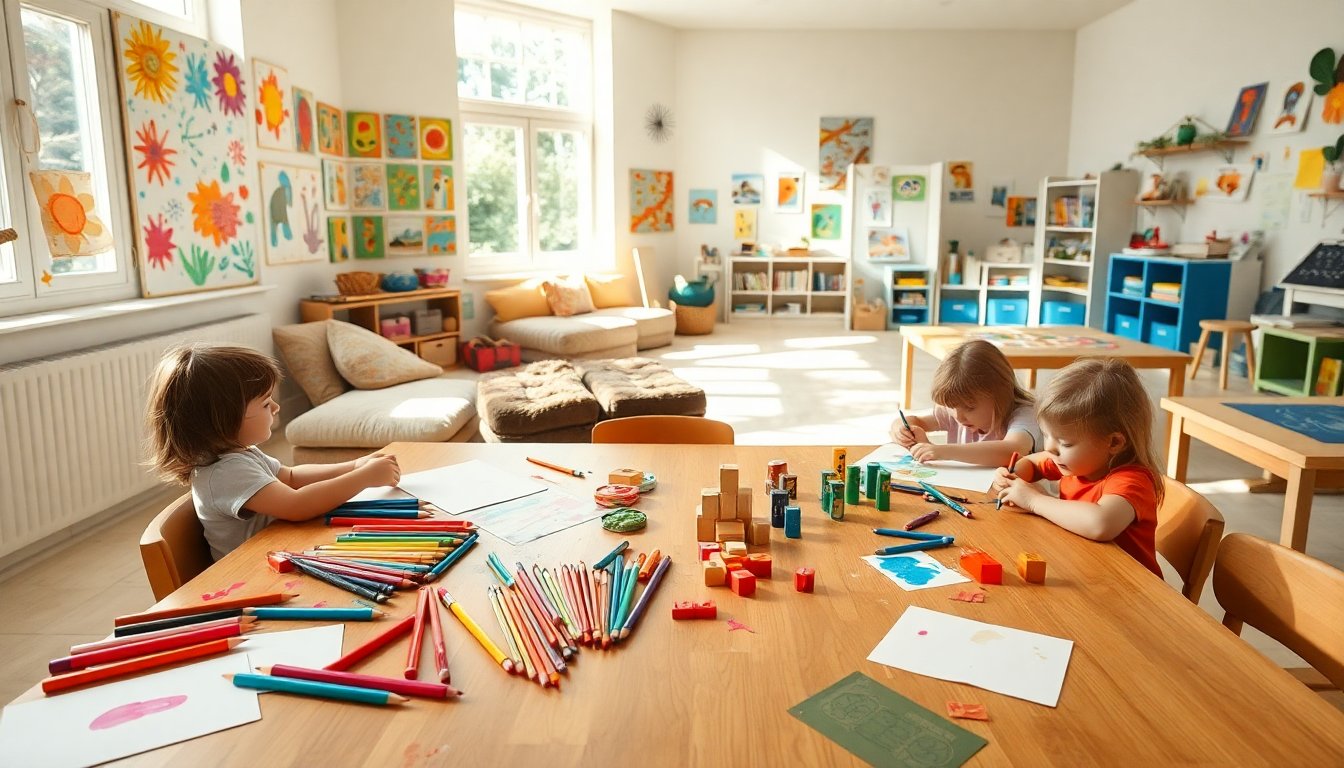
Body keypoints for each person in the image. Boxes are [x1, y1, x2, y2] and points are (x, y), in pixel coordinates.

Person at [146, 344, 401, 560]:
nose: (276, 407)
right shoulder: (225, 472)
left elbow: (290, 476)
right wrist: (362, 478)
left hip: (277, 551)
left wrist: (354, 466)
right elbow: (297, 505)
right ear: (224, 419)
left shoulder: (239, 454)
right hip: (252, 574)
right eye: (266, 403)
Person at [990, 358, 1164, 577]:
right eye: (1046, 435)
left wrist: (1034, 501)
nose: (1050, 448)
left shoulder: (1132, 480)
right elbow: (1033, 464)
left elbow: (1100, 523)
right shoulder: (1075, 463)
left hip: (1131, 587)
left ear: (1114, 442)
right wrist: (1013, 475)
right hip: (1085, 569)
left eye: (1065, 443)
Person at [890, 339, 1039, 467]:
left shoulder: (1025, 414)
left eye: (969, 408)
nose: (958, 417)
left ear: (1001, 394)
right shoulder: (956, 412)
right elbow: (916, 421)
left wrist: (942, 451)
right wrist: (901, 428)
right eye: (950, 407)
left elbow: (1012, 451)